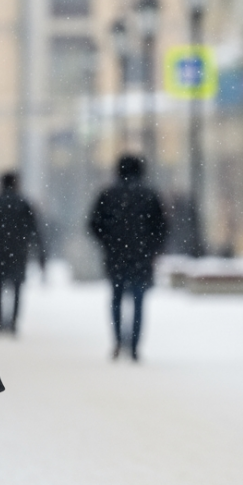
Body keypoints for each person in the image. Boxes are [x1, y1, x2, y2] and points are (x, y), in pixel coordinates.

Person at [88, 155, 168, 361]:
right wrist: (152, 248)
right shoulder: (149, 195)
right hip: (141, 256)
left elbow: (94, 224)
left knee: (116, 298)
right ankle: (134, 345)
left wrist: (108, 241)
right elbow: (161, 227)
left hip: (116, 255)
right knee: (138, 299)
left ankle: (117, 341)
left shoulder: (107, 194)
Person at [0, 171, 45, 334]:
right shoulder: (23, 203)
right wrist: (39, 251)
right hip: (18, 251)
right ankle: (14, 323)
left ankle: (0, 322)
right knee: (17, 287)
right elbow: (33, 229)